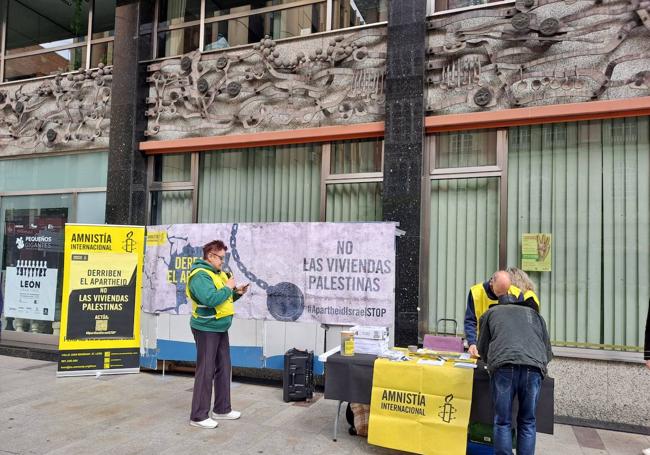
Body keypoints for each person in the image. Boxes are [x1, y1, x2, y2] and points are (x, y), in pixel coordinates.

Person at [477, 295, 552, 455]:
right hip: (533, 368)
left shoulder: (492, 313)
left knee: (502, 421)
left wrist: (489, 361)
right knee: (527, 421)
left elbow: (482, 347)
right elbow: (547, 351)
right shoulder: (535, 315)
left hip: (504, 366)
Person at [187, 239, 249, 429]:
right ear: (211, 256)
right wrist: (229, 287)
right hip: (206, 328)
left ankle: (222, 409)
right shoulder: (200, 275)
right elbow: (211, 299)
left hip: (220, 327)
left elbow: (225, 298)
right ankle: (198, 416)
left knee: (224, 367)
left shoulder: (218, 274)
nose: (223, 261)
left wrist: (237, 293)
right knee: (205, 370)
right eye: (221, 258)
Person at [464, 271, 523, 357]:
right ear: (491, 283)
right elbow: (470, 320)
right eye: (499, 293)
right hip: (482, 345)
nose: (501, 297)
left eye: (505, 293)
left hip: (507, 346)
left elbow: (520, 323)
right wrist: (472, 343)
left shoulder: (517, 294)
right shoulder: (476, 292)